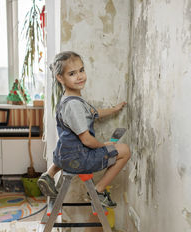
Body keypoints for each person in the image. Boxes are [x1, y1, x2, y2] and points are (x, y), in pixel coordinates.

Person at [38, 51, 130, 207]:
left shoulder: (68, 99)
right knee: (125, 150)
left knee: (67, 143)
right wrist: (105, 145)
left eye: (81, 70)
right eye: (72, 74)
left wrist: (114, 109)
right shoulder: (74, 105)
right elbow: (86, 140)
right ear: (60, 78)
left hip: (63, 156)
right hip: (78, 159)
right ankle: (99, 190)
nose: (79, 76)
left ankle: (49, 174)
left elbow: (93, 113)